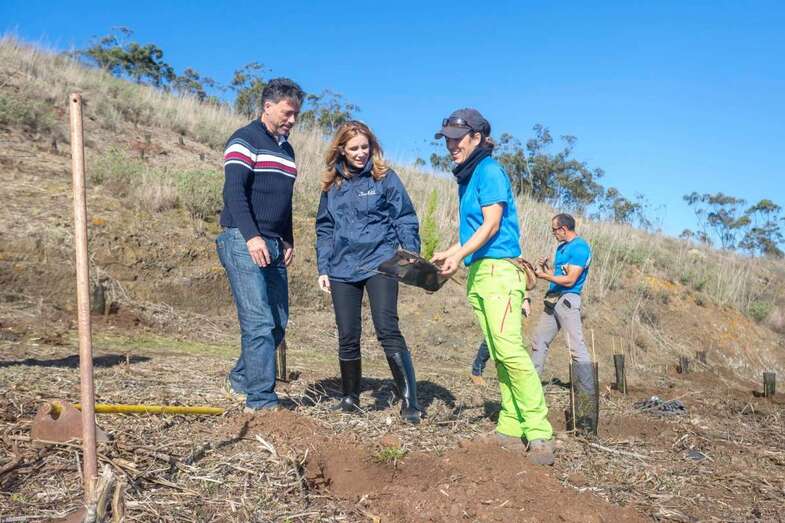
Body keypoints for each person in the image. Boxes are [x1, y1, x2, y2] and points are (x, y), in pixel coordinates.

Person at [431, 108, 555, 465]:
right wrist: (451, 252)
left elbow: (492, 225)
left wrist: (459, 255)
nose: (451, 146)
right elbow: (475, 234)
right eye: (447, 140)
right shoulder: (468, 177)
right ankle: (511, 425)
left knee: (510, 351)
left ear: (477, 138)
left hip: (500, 272)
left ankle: (539, 430)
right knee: (499, 353)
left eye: (457, 139)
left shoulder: (489, 171)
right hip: (481, 272)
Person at [315, 121, 423, 424]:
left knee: (387, 328)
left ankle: (410, 401)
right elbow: (325, 228)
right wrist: (323, 266)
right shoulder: (332, 185)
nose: (361, 153)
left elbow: (404, 217)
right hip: (342, 266)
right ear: (341, 150)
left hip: (380, 262)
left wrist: (410, 254)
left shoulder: (385, 178)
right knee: (347, 334)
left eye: (365, 146)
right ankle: (350, 398)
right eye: (354, 148)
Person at [215, 78, 304, 412]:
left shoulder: (287, 150)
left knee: (277, 322)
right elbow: (234, 192)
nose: (292, 120)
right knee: (258, 322)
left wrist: (288, 237)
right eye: (287, 113)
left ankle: (240, 380)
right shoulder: (244, 140)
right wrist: (252, 236)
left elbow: (285, 200)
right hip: (243, 239)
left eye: (296, 115)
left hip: (274, 243)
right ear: (268, 107)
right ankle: (261, 400)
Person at [531, 213, 593, 377]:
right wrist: (546, 270)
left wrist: (544, 276)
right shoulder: (562, 248)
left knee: (576, 347)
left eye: (554, 230)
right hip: (553, 300)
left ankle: (587, 390)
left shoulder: (580, 248)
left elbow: (570, 280)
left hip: (567, 300)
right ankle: (532, 383)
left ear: (563, 229)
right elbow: (559, 275)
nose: (553, 233)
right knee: (539, 340)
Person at [470, 296, 530, 385]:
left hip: (513, 302)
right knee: (493, 336)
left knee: (509, 339)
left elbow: (526, 287)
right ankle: (476, 372)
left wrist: (525, 299)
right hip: (498, 299)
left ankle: (511, 373)